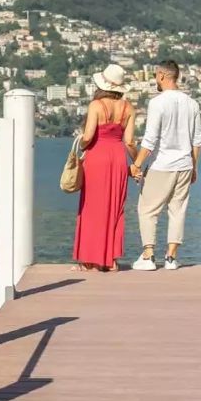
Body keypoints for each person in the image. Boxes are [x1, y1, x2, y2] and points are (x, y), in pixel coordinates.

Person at [129, 60, 201, 270]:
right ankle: (171, 258)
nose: (155, 79)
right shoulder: (192, 104)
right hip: (185, 165)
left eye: (155, 76)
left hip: (162, 165)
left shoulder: (157, 103)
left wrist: (137, 165)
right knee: (178, 210)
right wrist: (194, 167)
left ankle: (148, 256)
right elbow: (197, 140)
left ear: (161, 76)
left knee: (147, 209)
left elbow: (150, 139)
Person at [71, 63, 136, 272]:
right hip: (118, 158)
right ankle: (111, 260)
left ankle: (88, 260)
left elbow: (88, 136)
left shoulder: (96, 105)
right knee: (115, 207)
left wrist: (80, 144)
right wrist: (136, 163)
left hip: (97, 157)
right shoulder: (128, 108)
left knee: (91, 207)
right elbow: (129, 142)